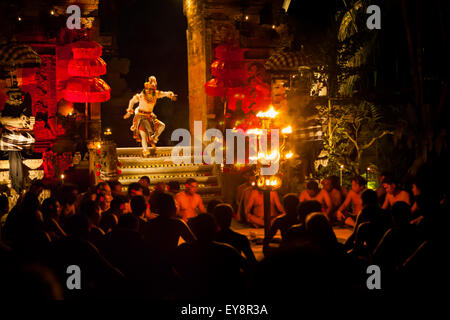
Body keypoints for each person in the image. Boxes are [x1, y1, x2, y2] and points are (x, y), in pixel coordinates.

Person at [123, 76, 177, 157]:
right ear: (146, 88)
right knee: (143, 136)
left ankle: (154, 137)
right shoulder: (141, 95)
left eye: (152, 90)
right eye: (148, 89)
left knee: (162, 126)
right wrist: (129, 111)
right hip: (140, 117)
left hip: (149, 116)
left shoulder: (156, 94)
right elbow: (132, 101)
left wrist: (171, 95)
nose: (149, 91)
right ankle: (145, 150)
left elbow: (166, 93)